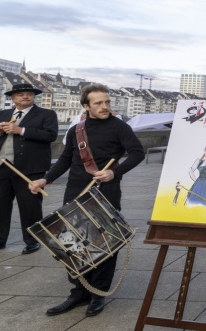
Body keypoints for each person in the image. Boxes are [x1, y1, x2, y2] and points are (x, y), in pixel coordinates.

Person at [29, 83, 144, 317]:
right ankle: (79, 292)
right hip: (75, 191)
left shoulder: (119, 127)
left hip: (106, 191)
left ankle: (98, 294)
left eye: (107, 102)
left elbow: (137, 153)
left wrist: (114, 173)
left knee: (105, 243)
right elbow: (65, 159)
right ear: (86, 106)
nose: (104, 106)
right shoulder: (76, 130)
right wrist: (45, 179)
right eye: (98, 103)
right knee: (73, 243)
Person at [0, 83, 58, 256]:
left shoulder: (47, 114)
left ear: (34, 97)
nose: (25, 96)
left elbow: (50, 135)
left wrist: (20, 130)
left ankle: (33, 240)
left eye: (29, 94)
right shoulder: (1, 114)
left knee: (30, 205)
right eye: (20, 94)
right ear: (12, 98)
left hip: (30, 168)